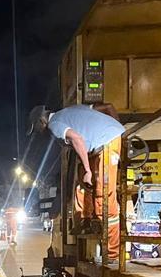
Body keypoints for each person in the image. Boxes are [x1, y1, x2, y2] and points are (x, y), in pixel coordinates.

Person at [28, 104, 126, 260]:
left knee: (104, 198)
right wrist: (118, 125)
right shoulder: (69, 111)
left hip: (107, 142)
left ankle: (112, 255)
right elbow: (106, 106)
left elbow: (77, 138)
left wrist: (88, 170)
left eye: (37, 129)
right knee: (81, 186)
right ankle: (85, 222)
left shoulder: (54, 124)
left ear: (41, 121)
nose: (40, 133)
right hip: (102, 143)